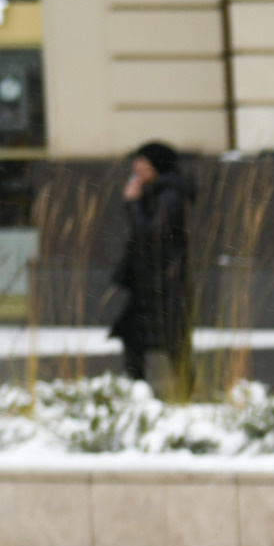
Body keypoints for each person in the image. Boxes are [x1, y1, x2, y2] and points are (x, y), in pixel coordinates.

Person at [108, 141, 191, 387]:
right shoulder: (155, 192)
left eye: (141, 161)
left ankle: (182, 392)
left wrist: (133, 203)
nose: (135, 167)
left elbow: (153, 234)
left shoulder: (169, 196)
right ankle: (140, 390)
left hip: (164, 286)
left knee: (172, 342)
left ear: (155, 166)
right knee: (137, 336)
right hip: (150, 285)